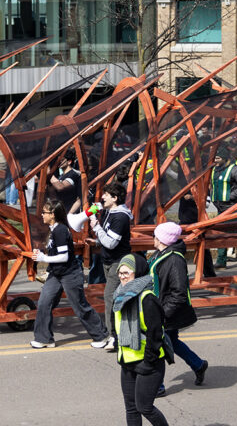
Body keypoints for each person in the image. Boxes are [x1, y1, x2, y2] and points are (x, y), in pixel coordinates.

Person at [30, 200, 110, 349]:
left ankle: (102, 336)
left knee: (80, 306)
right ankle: (44, 338)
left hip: (69, 274)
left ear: (52, 214)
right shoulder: (54, 229)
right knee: (44, 303)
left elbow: (64, 257)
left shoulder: (60, 230)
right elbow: (56, 251)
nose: (42, 215)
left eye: (44, 212)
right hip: (56, 273)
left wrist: (43, 258)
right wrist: (42, 254)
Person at [149, 222, 208, 396]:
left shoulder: (174, 260)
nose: (153, 237)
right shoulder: (160, 253)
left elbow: (179, 293)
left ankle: (157, 386)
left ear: (161, 239)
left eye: (155, 235)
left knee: (157, 346)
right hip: (160, 308)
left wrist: (161, 314)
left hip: (166, 311)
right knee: (172, 342)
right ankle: (198, 364)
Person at [112, 253, 170, 426]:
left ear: (137, 273)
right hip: (127, 361)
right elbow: (114, 325)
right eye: (120, 273)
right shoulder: (119, 296)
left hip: (148, 363)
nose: (122, 276)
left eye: (126, 272)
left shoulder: (147, 299)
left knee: (144, 407)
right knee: (131, 409)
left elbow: (155, 334)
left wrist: (148, 362)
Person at [89, 181, 133, 347]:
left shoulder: (120, 217)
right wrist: (96, 240)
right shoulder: (109, 213)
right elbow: (106, 238)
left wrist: (96, 226)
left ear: (114, 198)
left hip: (118, 262)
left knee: (110, 297)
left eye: (106, 195)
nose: (102, 198)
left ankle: (112, 336)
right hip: (108, 261)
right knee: (115, 298)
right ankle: (119, 333)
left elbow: (112, 243)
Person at [48, 149, 82, 214]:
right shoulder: (60, 176)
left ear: (69, 162)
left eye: (62, 160)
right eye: (58, 160)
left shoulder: (74, 174)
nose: (59, 162)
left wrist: (49, 173)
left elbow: (60, 187)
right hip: (61, 212)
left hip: (71, 213)